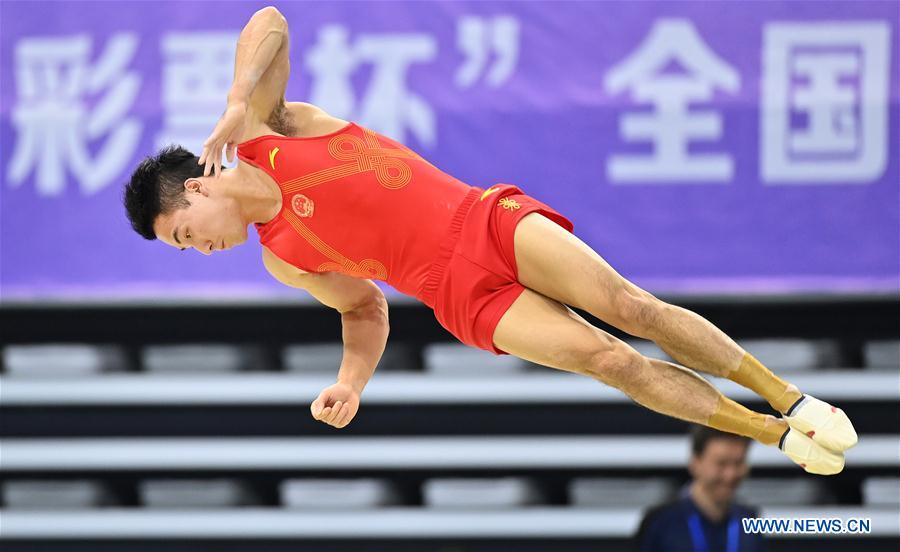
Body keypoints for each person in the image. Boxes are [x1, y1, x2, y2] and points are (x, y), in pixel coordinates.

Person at [122, 6, 856, 474]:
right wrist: (351, 383)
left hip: (481, 221)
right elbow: (363, 310)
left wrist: (233, 100)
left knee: (631, 308)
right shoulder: (284, 259)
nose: (200, 250)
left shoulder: (268, 129)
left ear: (197, 188)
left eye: (186, 236)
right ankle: (773, 436)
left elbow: (270, 19)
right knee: (612, 361)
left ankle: (791, 399)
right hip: (461, 295)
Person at [635, 426, 766, 552]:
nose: (730, 475)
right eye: (721, 463)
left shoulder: (750, 520)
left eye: (738, 463)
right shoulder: (660, 522)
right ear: (695, 463)